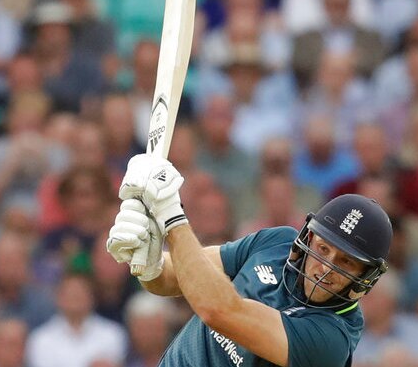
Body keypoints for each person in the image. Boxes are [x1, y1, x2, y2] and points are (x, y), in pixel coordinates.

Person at [106, 154, 392, 366]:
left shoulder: (331, 339)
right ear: (308, 238)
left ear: (365, 277)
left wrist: (171, 216)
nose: (325, 266)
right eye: (323, 248)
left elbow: (220, 312)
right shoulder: (277, 242)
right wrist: (148, 258)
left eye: (345, 262)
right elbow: (171, 278)